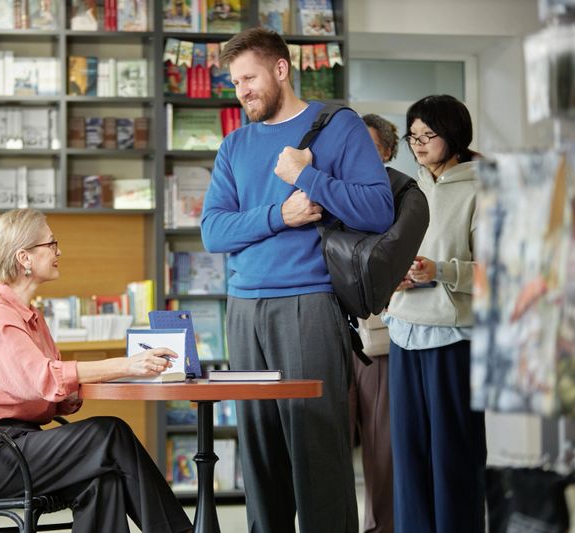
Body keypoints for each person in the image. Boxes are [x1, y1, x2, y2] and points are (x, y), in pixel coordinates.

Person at [201, 27, 394, 533]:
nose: (241, 90)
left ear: (281, 69)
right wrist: (279, 216)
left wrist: (308, 176)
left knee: (319, 454)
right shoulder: (234, 145)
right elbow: (212, 231)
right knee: (260, 458)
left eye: (249, 77)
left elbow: (378, 209)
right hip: (244, 312)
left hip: (309, 304)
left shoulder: (338, 126)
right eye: (235, 81)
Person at [0, 208, 193, 533]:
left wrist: (82, 389)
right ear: (24, 257)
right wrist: (125, 365)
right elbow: (44, 378)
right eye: (51, 243)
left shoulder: (29, 316)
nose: (59, 251)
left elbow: (44, 389)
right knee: (110, 433)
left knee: (102, 478)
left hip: (18, 444)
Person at [383, 94, 486, 533]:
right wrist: (397, 275)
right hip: (404, 333)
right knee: (408, 457)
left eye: (429, 135)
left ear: (455, 135)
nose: (419, 145)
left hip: (454, 339)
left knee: (452, 456)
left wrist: (438, 271)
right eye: (413, 137)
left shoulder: (486, 188)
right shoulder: (411, 189)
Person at [347, 113, 400, 533]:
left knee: (381, 446)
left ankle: (381, 526)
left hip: (375, 338)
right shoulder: (334, 192)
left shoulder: (400, 195)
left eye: (367, 146)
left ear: (385, 152)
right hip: (327, 332)